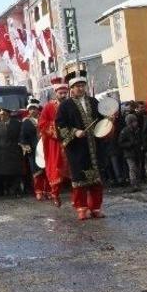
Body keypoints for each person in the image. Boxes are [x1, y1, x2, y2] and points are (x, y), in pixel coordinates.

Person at [56, 76, 107, 220]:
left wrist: (109, 120)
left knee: (97, 179)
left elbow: (102, 119)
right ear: (71, 89)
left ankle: (96, 207)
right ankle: (82, 208)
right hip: (77, 147)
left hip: (95, 146)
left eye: (82, 85)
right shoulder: (65, 106)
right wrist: (74, 132)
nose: (80, 88)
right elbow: (60, 125)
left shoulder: (93, 102)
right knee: (80, 180)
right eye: (77, 86)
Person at [39, 79, 70, 207]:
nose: (63, 95)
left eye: (65, 93)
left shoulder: (70, 104)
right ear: (56, 92)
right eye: (61, 93)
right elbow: (42, 123)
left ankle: (78, 198)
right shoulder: (49, 106)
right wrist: (55, 129)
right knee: (55, 169)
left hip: (70, 141)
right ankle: (55, 194)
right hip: (55, 143)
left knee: (73, 169)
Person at [0, 108, 24, 197]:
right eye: (0, 115)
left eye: (3, 115)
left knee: (16, 172)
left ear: (7, 115)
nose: (1, 116)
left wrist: (20, 145)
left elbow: (20, 136)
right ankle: (7, 189)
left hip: (15, 150)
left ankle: (16, 190)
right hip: (3, 152)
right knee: (5, 173)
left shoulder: (17, 123)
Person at [20, 99, 47, 200]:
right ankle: (38, 191)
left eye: (34, 109)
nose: (32, 111)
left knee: (46, 171)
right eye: (30, 109)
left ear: (38, 109)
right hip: (34, 150)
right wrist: (26, 146)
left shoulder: (43, 119)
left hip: (45, 148)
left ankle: (48, 190)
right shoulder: (26, 122)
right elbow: (22, 136)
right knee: (36, 171)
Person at [118, 113, 144, 192]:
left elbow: (140, 139)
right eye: (134, 121)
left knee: (138, 168)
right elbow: (120, 143)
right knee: (132, 168)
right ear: (130, 122)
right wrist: (130, 144)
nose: (136, 123)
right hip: (129, 153)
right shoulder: (125, 131)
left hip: (137, 152)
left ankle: (138, 183)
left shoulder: (137, 130)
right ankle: (133, 184)